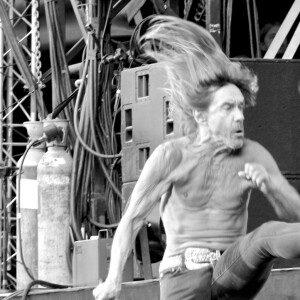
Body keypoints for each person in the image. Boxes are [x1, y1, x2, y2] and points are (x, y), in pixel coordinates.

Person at [93, 15, 300, 300]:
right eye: (228, 108)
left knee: (265, 237)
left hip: (230, 271)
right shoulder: (172, 156)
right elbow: (132, 219)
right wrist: (113, 279)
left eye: (241, 107)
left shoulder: (253, 154)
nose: (239, 116)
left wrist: (273, 187)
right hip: (182, 278)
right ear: (200, 115)